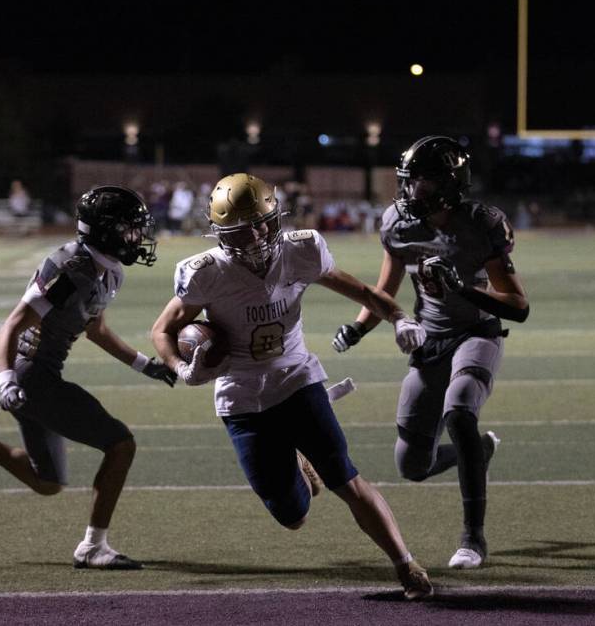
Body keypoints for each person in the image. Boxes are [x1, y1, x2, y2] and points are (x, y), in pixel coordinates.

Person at [151, 173, 433, 600]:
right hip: (241, 396)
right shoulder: (204, 273)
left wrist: (399, 317)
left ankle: (405, 564)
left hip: (296, 378)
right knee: (292, 515)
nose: (258, 233)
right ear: (222, 233)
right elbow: (162, 330)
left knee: (346, 478)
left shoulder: (301, 249)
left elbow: (360, 290)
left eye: (263, 221)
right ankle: (299, 469)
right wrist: (181, 367)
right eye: (243, 227)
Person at [0, 185, 177, 570]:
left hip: (33, 376)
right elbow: (12, 324)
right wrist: (7, 379)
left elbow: (95, 329)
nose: (136, 236)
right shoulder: (73, 270)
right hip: (30, 377)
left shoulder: (106, 272)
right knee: (121, 445)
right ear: (106, 230)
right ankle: (93, 547)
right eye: (129, 228)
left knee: (48, 482)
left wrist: (144, 364)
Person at [332, 135, 530, 570]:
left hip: (477, 332)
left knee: (459, 411)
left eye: (423, 183)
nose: (411, 192)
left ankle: (473, 538)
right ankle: (475, 450)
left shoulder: (481, 223)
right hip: (430, 340)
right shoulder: (399, 225)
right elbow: (385, 288)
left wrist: (463, 289)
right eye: (409, 182)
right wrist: (360, 327)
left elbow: (518, 306)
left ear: (450, 184)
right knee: (411, 465)